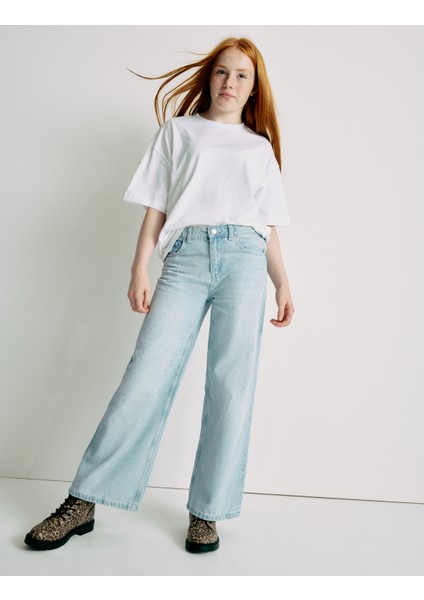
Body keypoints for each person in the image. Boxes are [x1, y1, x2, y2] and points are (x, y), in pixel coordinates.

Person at [24, 36, 294, 554]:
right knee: (144, 377)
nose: (230, 82)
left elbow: (267, 224)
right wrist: (139, 267)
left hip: (244, 260)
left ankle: (207, 512)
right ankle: (84, 501)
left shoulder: (259, 149)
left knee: (231, 387)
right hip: (186, 258)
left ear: (254, 88)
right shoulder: (178, 132)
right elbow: (156, 206)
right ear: (209, 77)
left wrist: (282, 281)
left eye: (242, 75)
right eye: (222, 71)